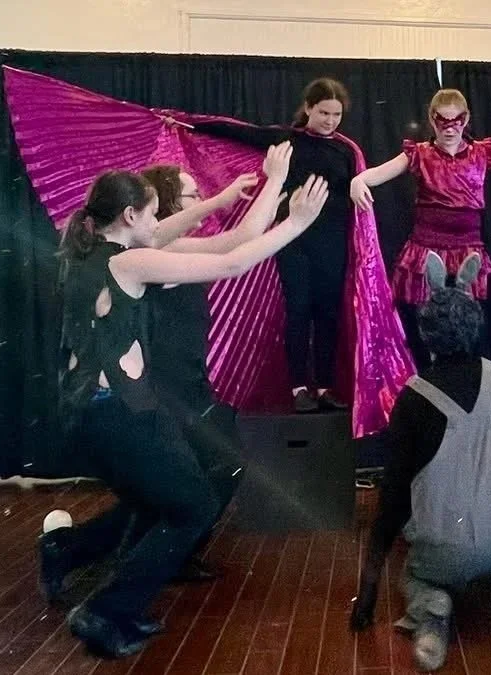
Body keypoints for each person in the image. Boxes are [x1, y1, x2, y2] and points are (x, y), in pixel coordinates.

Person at [40, 149, 328, 658]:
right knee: (192, 505)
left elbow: (219, 238)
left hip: (83, 414)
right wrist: (297, 221)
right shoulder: (130, 261)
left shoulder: (84, 254)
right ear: (131, 217)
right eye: (153, 213)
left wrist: (229, 197)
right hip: (119, 413)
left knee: (157, 503)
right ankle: (107, 611)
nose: (160, 221)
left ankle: (87, 575)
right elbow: (234, 258)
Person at [350, 252, 491, 672]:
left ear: (426, 335)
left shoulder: (412, 397)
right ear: (476, 327)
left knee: (417, 574)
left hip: (443, 549)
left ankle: (432, 609)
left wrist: (367, 600)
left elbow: (392, 503)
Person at [136, 145, 292, 580]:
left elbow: (239, 240)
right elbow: (237, 246)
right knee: (215, 468)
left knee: (189, 478)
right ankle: (164, 555)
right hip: (170, 391)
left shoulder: (171, 248)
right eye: (188, 195)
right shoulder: (162, 254)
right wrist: (274, 183)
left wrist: (267, 198)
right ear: (168, 205)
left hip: (184, 385)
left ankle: (154, 551)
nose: (197, 199)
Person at [350, 88, 491, 368]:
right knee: (427, 316)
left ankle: (465, 374)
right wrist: (357, 181)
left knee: (465, 317)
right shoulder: (419, 154)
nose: (450, 128)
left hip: (466, 247)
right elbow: (377, 173)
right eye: (443, 121)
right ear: (432, 120)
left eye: (456, 121)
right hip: (426, 245)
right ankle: (431, 375)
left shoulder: (482, 153)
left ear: (466, 119)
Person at [193, 79, 357, 412]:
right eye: (324, 112)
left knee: (327, 314)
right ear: (308, 108)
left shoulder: (346, 150)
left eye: (336, 114)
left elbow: (357, 188)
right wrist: (188, 122)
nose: (330, 120)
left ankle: (324, 387)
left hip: (332, 241)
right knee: (298, 310)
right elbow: (238, 132)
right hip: (292, 239)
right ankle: (299, 388)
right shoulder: (286, 140)